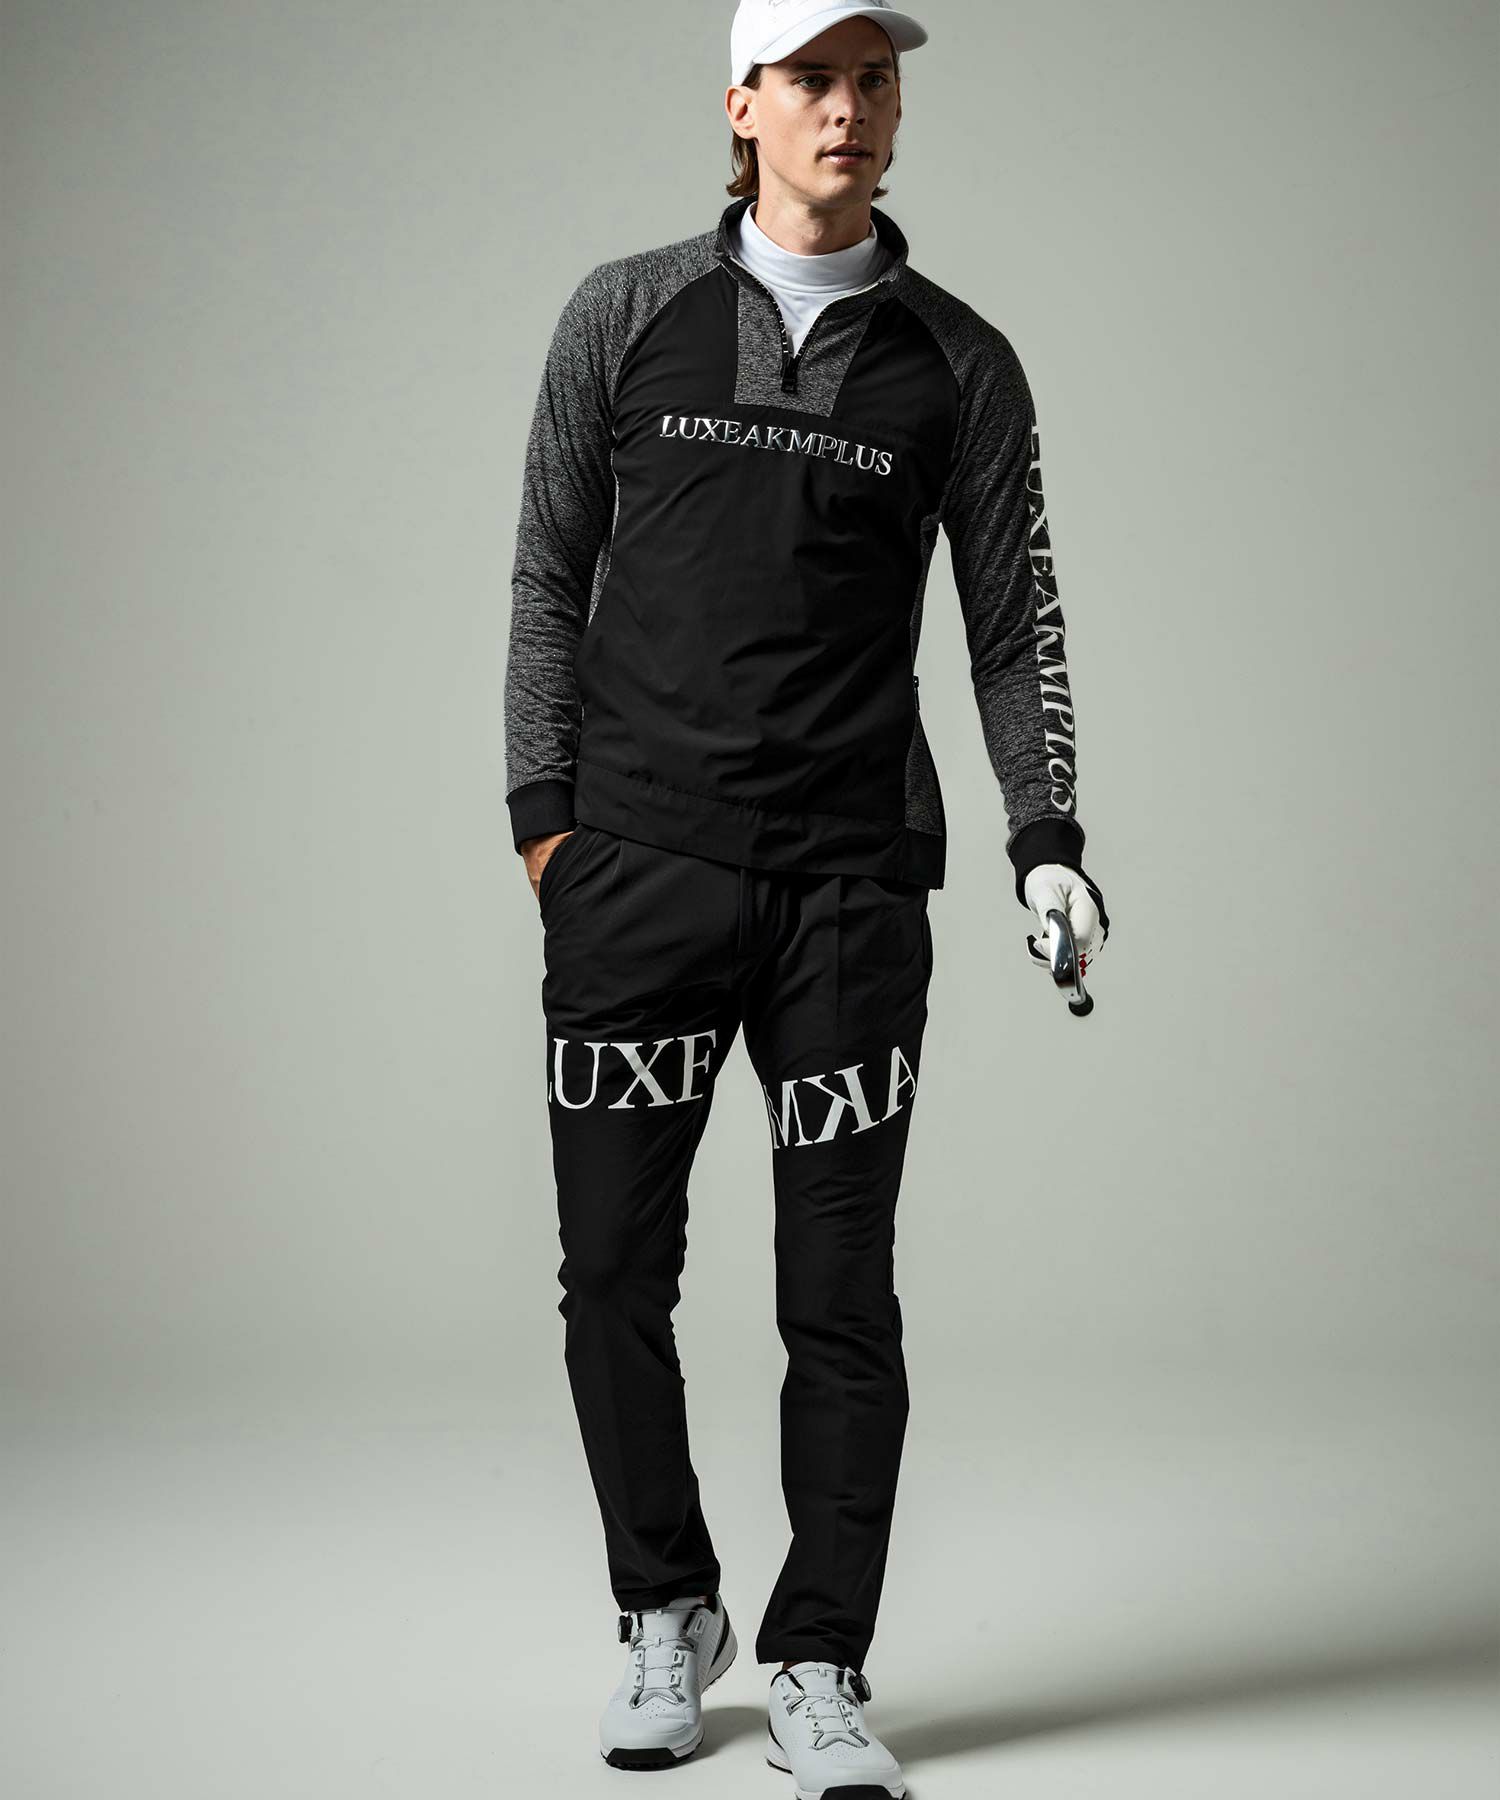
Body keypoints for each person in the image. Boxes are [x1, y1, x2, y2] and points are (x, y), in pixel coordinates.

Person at [503, 1, 1111, 1791]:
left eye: (877, 79)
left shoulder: (961, 362)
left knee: (840, 1298)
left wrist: (1049, 835)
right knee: (613, 1275)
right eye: (814, 79)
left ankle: (824, 1659)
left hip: (850, 889)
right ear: (744, 105)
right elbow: (547, 573)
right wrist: (548, 829)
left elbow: (1013, 625)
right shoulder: (624, 314)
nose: (850, 108)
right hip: (636, 877)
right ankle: (663, 1612)